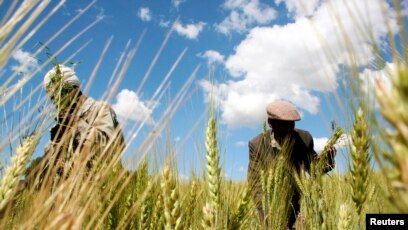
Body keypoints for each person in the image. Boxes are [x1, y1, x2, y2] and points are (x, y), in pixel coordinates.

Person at [27, 64, 125, 188]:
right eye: (51, 97)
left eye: (58, 94)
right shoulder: (62, 123)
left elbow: (109, 147)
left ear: (73, 88)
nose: (55, 101)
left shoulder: (100, 109)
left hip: (99, 193)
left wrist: (76, 125)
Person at [247, 100, 336, 229]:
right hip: (268, 208)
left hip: (295, 205)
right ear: (271, 123)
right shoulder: (257, 144)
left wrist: (328, 159)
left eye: (292, 123)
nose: (289, 128)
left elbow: (314, 169)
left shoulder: (304, 138)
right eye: (284, 124)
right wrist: (273, 216)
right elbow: (255, 184)